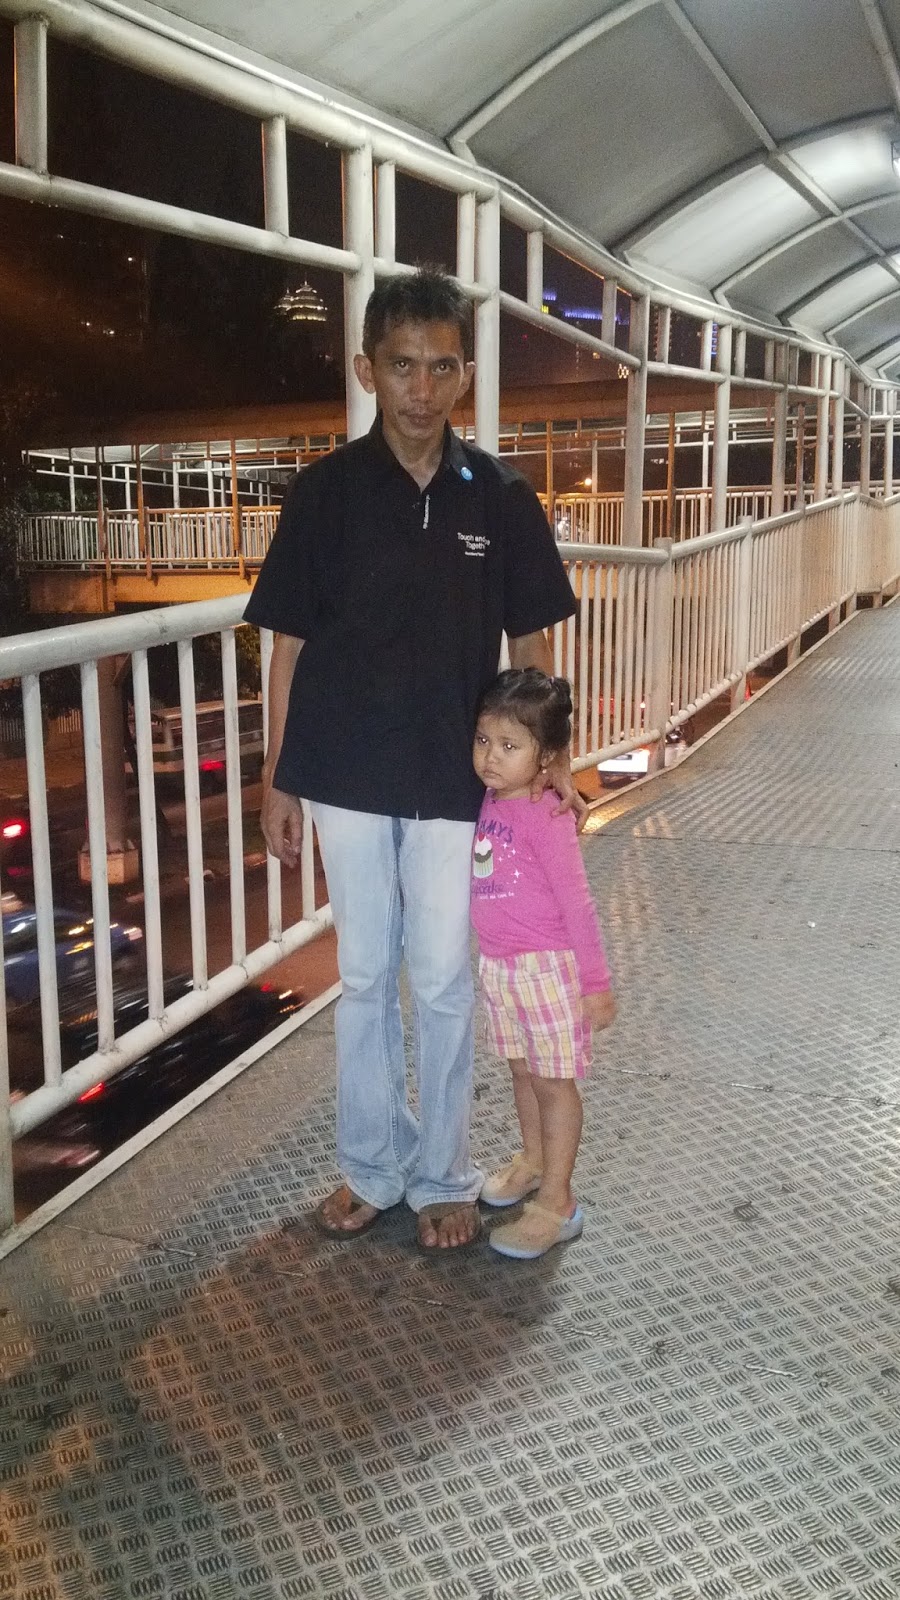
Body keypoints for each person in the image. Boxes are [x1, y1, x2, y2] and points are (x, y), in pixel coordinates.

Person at [244, 267, 580, 1251]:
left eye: (441, 367)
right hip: (343, 772)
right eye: (401, 366)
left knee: (438, 977)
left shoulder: (502, 496)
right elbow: (288, 646)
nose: (421, 389)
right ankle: (370, 1166)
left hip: (453, 776)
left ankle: (440, 1174)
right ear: (367, 370)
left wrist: (545, 762)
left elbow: (530, 644)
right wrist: (277, 777)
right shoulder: (324, 494)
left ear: (465, 373)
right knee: (362, 974)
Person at [471, 668, 616, 1260]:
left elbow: (578, 903)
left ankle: (559, 1203)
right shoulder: (489, 798)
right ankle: (533, 1162)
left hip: (547, 970)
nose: (491, 757)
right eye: (484, 740)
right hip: (500, 968)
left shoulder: (546, 814)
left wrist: (596, 983)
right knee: (522, 1072)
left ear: (547, 756)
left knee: (554, 1084)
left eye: (510, 746)